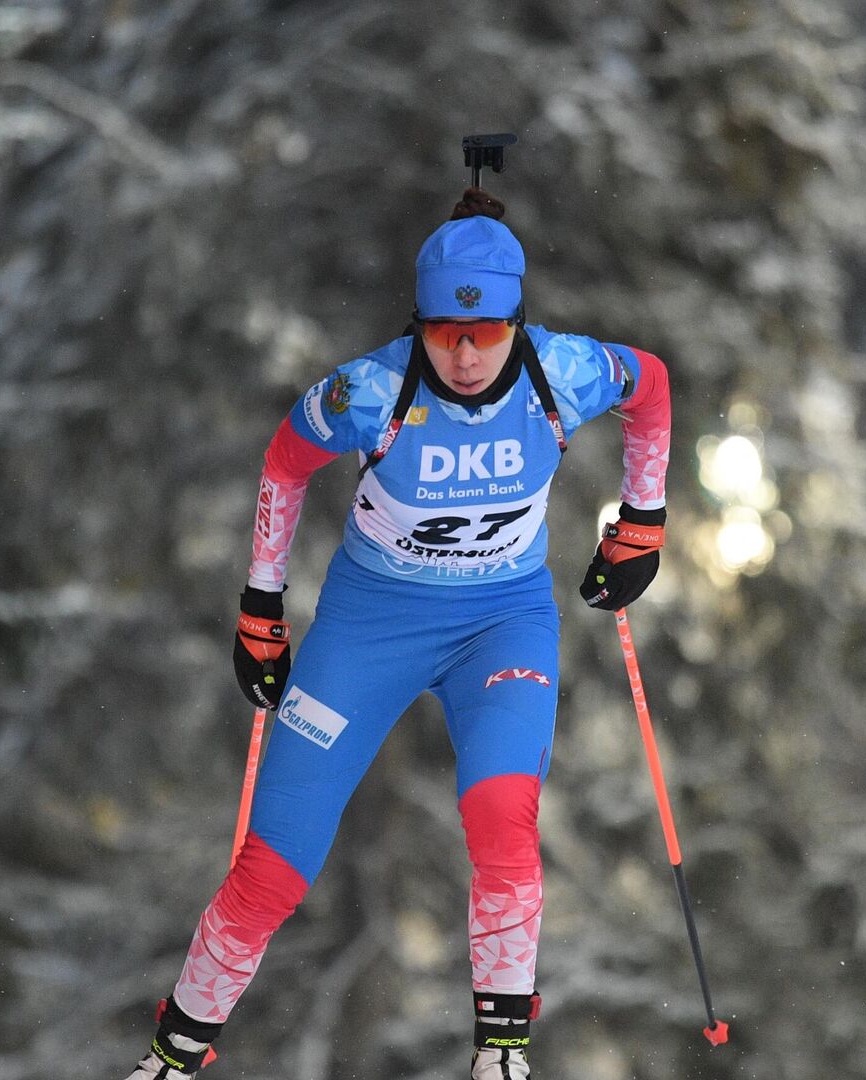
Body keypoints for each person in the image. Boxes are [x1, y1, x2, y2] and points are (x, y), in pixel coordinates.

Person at [121, 187, 672, 1080]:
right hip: (369, 629)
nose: (462, 355)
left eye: (486, 333)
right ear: (417, 323)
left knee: (501, 817)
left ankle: (501, 1051)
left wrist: (642, 519)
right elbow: (285, 461)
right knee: (272, 870)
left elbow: (650, 385)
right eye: (442, 333)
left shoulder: (560, 372)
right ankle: (173, 1055)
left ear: (516, 322)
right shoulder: (370, 390)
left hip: (502, 622)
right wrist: (261, 606)